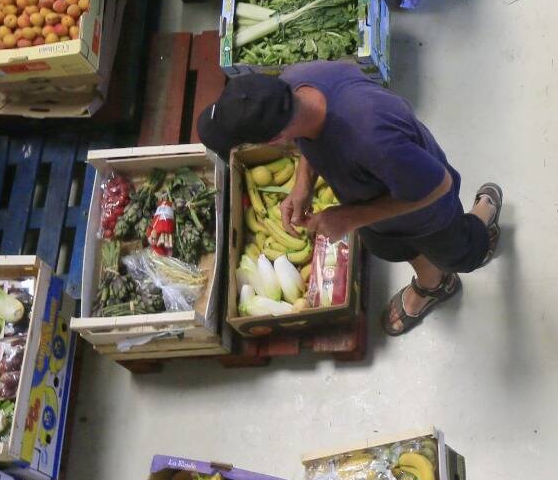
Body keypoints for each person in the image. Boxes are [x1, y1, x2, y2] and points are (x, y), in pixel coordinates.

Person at [196, 64, 503, 337]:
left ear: (275, 140)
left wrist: (350, 218)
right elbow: (309, 136)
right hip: (376, 207)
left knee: (461, 254)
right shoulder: (296, 82)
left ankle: (482, 212)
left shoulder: (371, 139)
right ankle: (434, 286)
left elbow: (438, 185)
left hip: (426, 211)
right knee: (392, 247)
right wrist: (303, 184)